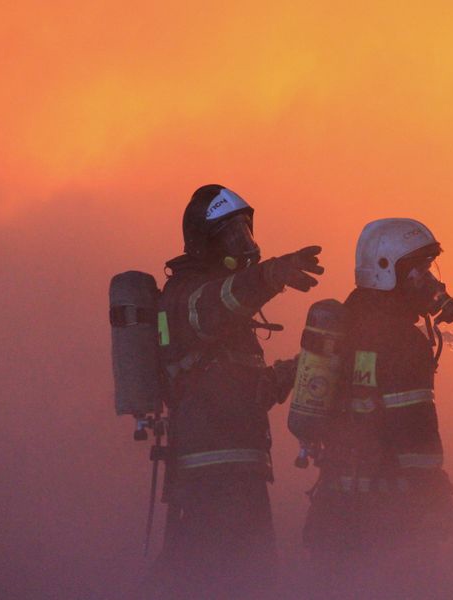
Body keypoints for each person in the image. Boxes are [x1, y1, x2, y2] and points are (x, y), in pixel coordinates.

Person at [153, 184, 323, 598]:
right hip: (207, 488)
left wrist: (310, 364)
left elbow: (252, 392)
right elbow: (214, 307)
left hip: (243, 482)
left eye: (245, 232)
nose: (243, 244)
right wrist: (268, 276)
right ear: (204, 244)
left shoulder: (232, 319)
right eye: (230, 236)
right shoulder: (184, 296)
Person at [301, 218, 453, 597]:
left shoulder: (346, 321)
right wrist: (435, 500)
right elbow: (417, 434)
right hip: (390, 518)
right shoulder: (403, 340)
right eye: (418, 270)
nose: (429, 282)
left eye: (429, 268)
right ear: (386, 270)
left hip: (334, 513)